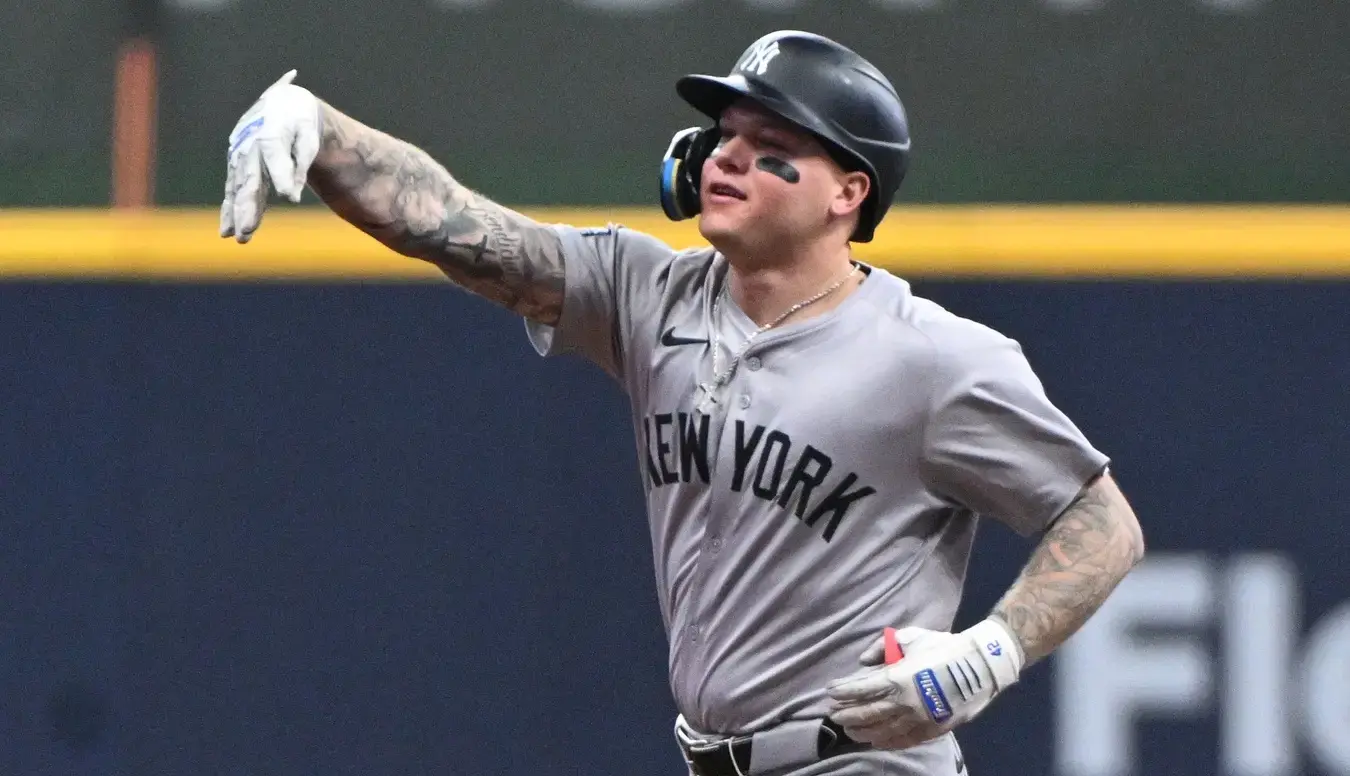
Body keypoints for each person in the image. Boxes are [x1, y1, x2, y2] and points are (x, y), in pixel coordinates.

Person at [219, 29, 1145, 776]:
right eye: (724, 138)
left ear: (848, 193)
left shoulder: (933, 360)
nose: (727, 159)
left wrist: (992, 652)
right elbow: (461, 228)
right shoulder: (646, 292)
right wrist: (322, 128)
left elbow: (1102, 524)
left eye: (770, 149)